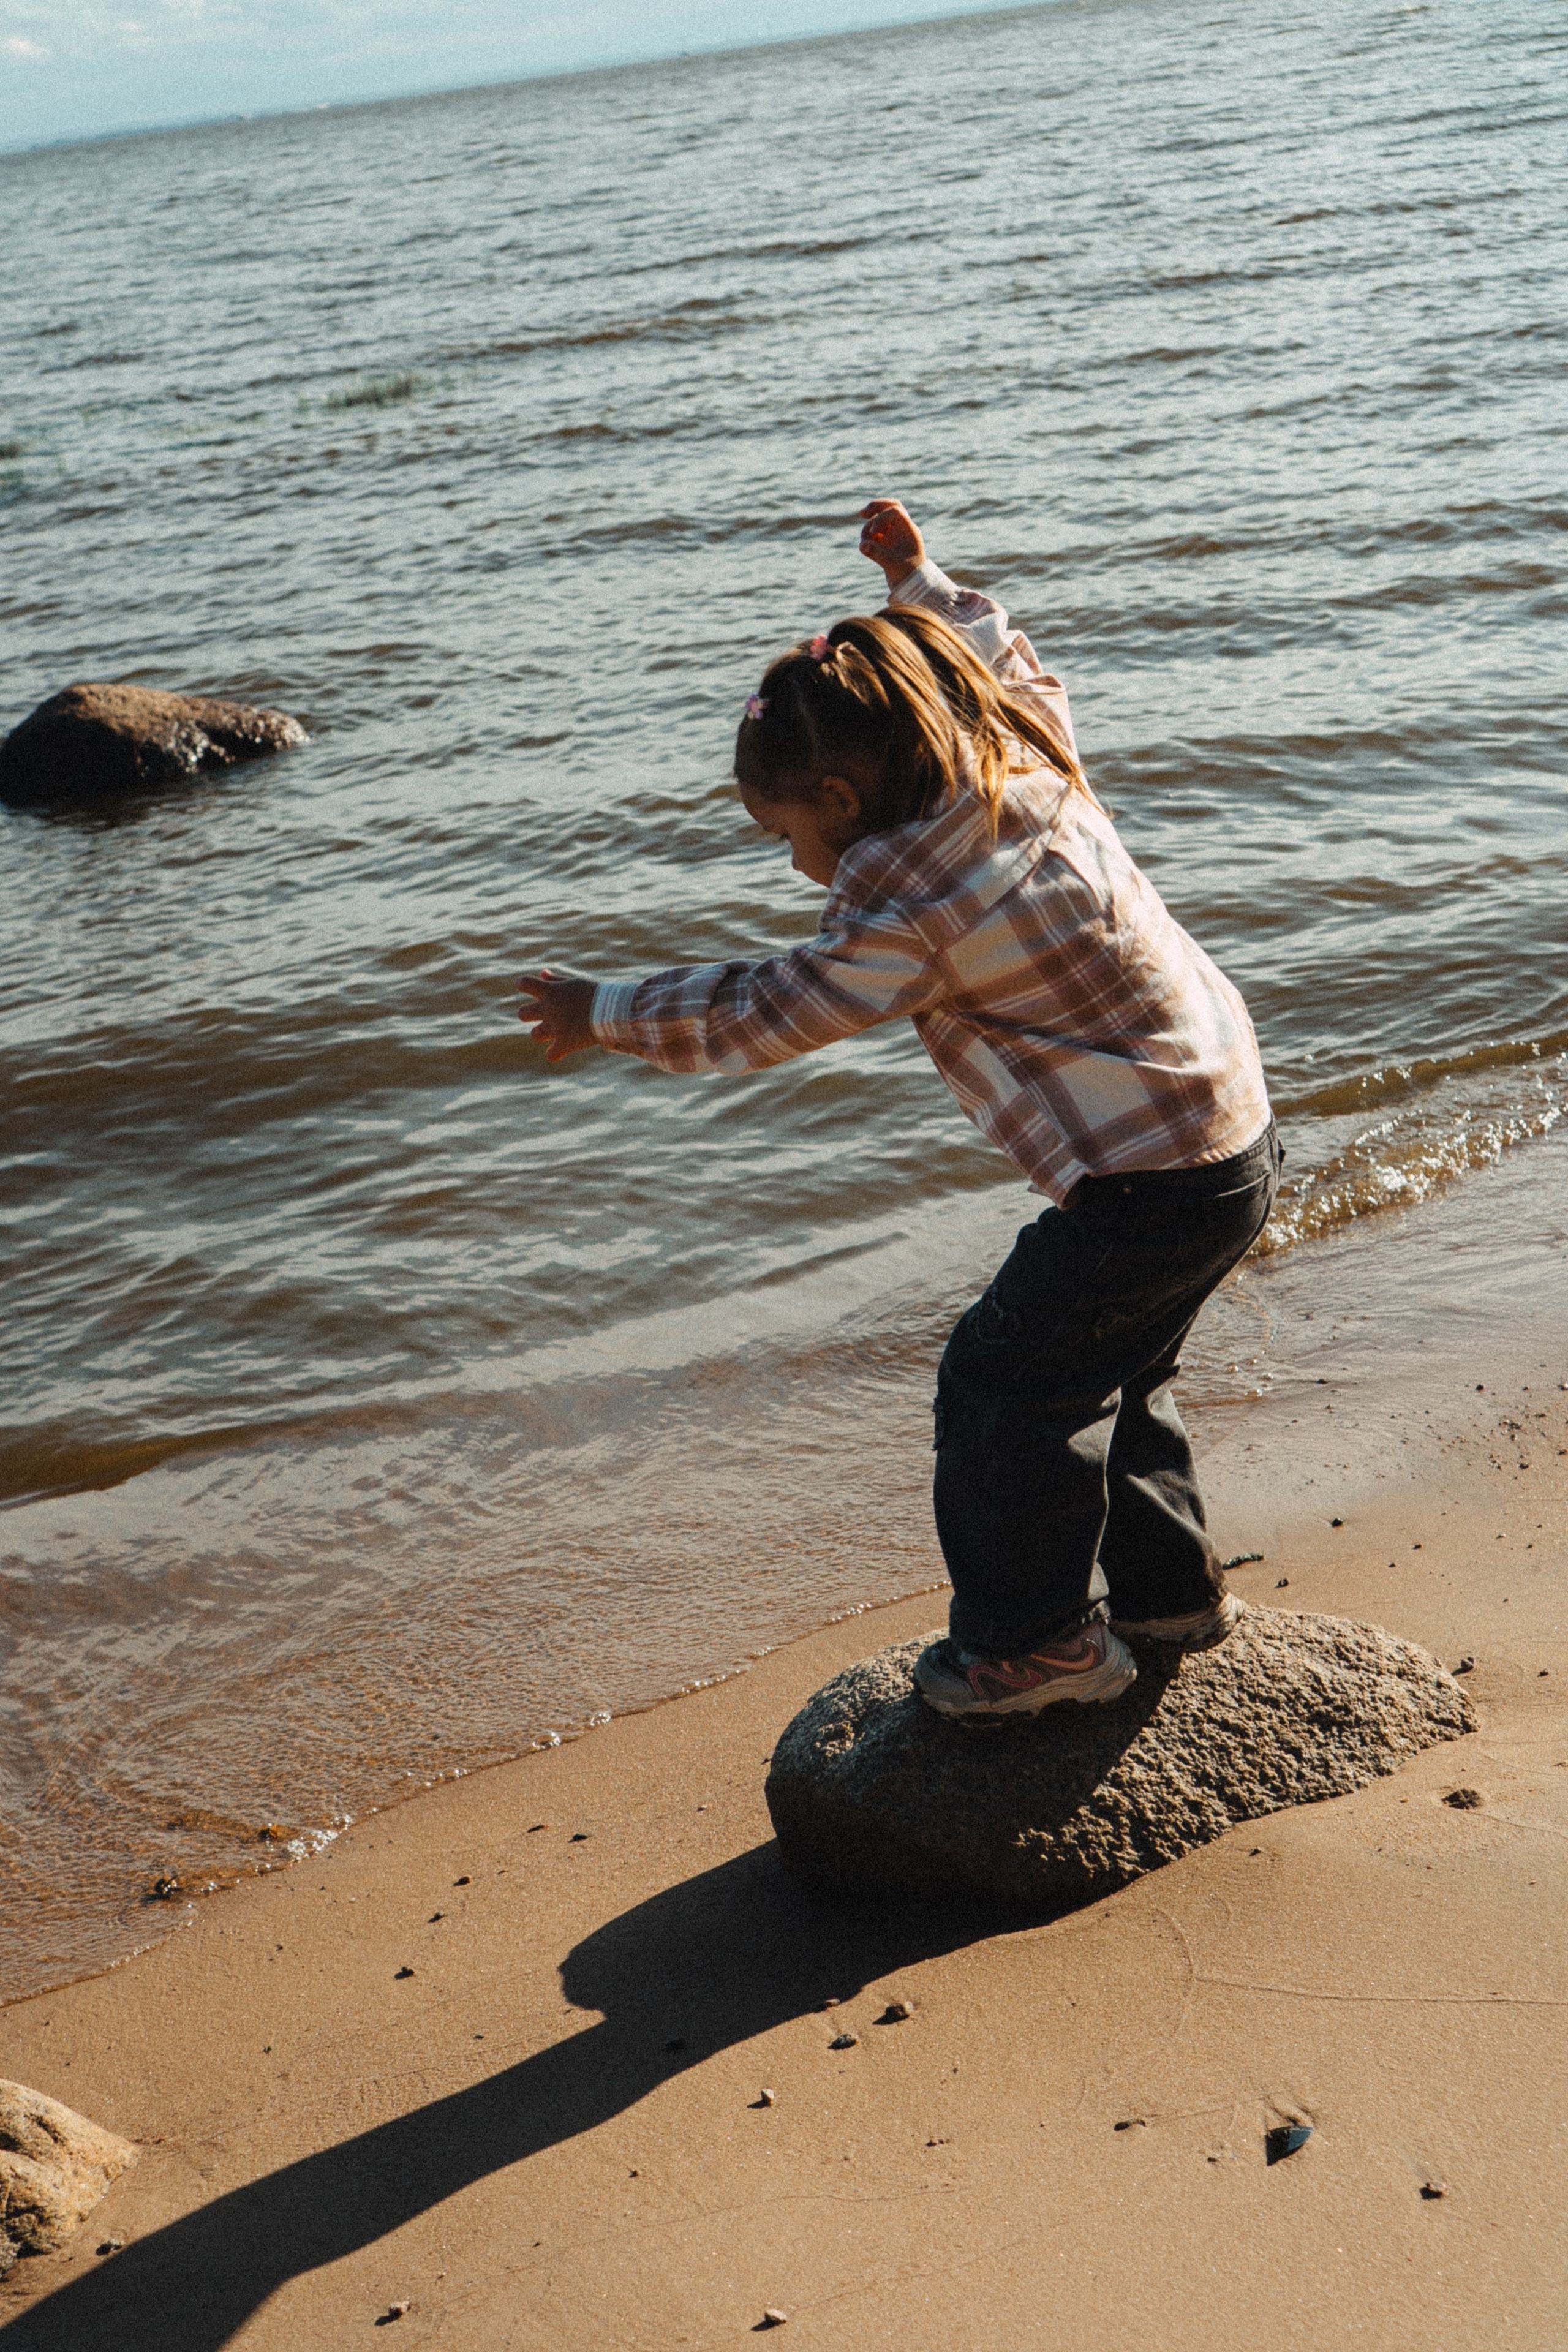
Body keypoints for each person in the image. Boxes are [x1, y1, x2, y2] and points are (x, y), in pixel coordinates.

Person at [519, 500, 1278, 1722]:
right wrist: (918, 580)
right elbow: (997, 654)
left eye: (784, 833)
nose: (789, 862)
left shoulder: (908, 908)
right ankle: (1165, 1599)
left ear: (836, 794)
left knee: (997, 1389)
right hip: (1230, 1127)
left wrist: (604, 1008)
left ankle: (1034, 1652)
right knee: (1123, 1366)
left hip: (1148, 1183)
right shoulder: (1020, 751)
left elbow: (761, 1011)